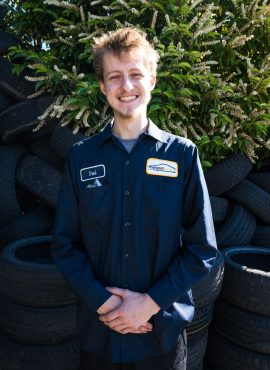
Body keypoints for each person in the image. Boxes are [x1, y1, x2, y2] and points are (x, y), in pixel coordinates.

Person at [51, 27, 217, 370]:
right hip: (100, 332)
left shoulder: (181, 155)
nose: (126, 87)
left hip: (162, 332)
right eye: (115, 77)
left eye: (135, 75)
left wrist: (148, 304)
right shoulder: (81, 158)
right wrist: (106, 304)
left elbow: (202, 249)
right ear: (102, 86)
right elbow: (65, 245)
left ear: (152, 81)